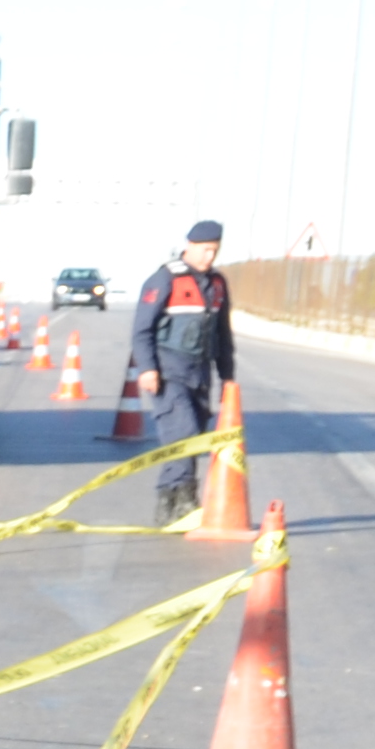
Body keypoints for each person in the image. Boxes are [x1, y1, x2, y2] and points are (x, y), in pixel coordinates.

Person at [126, 220, 242, 522]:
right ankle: (182, 499)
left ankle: (172, 500)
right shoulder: (165, 279)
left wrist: (227, 376)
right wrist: (148, 369)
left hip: (200, 372)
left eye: (214, 251)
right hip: (169, 371)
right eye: (204, 250)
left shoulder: (217, 284)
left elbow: (222, 334)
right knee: (184, 432)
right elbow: (142, 330)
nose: (209, 257)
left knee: (195, 435)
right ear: (189, 245)